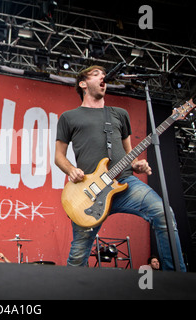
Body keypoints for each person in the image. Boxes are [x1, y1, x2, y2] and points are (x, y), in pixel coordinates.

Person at [55, 65, 187, 271]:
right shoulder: (69, 117)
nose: (103, 77)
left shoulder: (119, 114)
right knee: (78, 255)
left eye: (104, 75)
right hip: (89, 191)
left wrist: (136, 164)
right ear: (83, 84)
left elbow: (129, 153)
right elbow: (59, 157)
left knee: (163, 213)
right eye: (96, 74)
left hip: (125, 183)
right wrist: (71, 169)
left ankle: (176, 278)